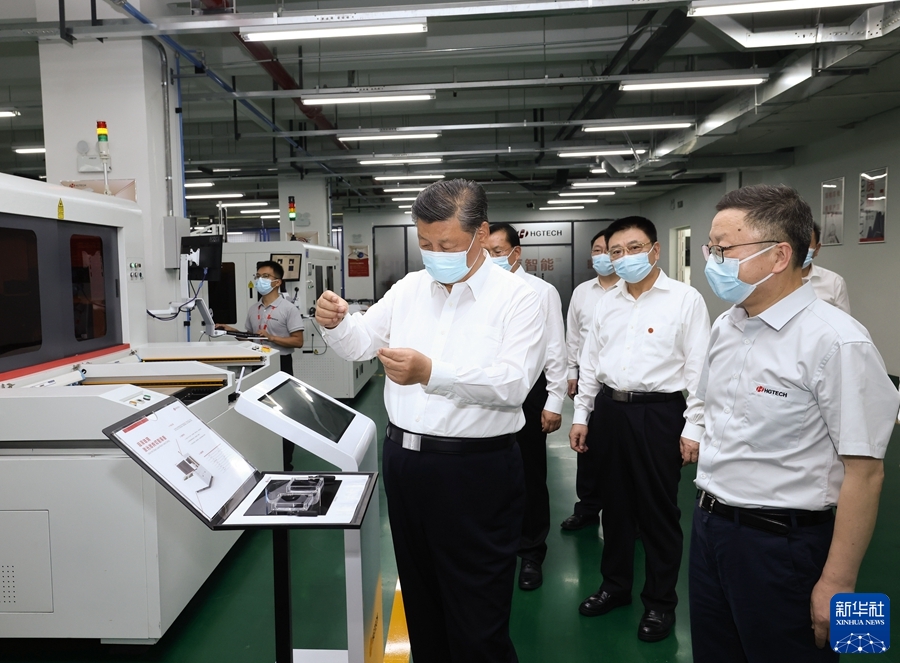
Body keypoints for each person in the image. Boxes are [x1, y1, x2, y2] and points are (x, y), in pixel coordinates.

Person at [314, 179, 545, 663]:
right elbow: (362, 343)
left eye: (446, 244)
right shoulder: (410, 288)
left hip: (475, 471)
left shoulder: (519, 298)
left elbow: (513, 384)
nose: (435, 254)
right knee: (422, 603)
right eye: (425, 243)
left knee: (477, 618)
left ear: (481, 234)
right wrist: (336, 323)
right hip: (406, 464)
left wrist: (431, 373)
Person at [691, 184, 899, 662]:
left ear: (779, 255)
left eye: (724, 249)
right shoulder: (727, 326)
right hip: (710, 530)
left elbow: (866, 473)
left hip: (783, 547)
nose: (713, 261)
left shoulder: (837, 342)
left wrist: (838, 583)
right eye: (710, 249)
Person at [570, 216, 710, 643]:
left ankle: (660, 603)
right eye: (616, 251)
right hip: (610, 411)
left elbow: (700, 369)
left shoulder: (684, 300)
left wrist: (694, 426)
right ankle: (615, 587)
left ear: (654, 250)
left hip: (659, 414)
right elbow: (591, 362)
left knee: (658, 512)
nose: (624, 257)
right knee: (614, 507)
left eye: (634, 248)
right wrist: (581, 414)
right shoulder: (606, 302)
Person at [484, 222, 567, 591]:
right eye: (484, 252)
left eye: (497, 252)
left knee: (529, 472)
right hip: (484, 391)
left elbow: (555, 348)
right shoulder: (477, 290)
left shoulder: (541, 291)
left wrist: (554, 400)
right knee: (488, 472)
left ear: (516, 253)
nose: (490, 259)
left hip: (528, 392)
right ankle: (495, 544)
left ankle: (531, 551)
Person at [216, 260, 304, 470]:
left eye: (265, 276)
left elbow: (298, 341)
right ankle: (264, 457)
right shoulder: (253, 309)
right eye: (257, 276)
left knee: (283, 413)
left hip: (280, 364)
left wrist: (272, 338)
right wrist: (231, 330)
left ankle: (285, 463)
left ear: (277, 282)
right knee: (260, 412)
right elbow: (250, 338)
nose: (259, 280)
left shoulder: (288, 309)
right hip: (258, 365)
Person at [560, 228, 619, 531]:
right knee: (586, 443)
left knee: (621, 450)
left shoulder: (631, 290)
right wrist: (572, 372)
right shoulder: (582, 292)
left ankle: (626, 513)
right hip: (587, 379)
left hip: (620, 382)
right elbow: (573, 335)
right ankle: (587, 508)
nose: (603, 256)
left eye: (610, 250)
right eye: (597, 250)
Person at [802, 221, 851, 314]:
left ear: (817, 249)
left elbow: (843, 321)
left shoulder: (834, 282)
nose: (800, 250)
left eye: (806, 244)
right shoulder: (773, 280)